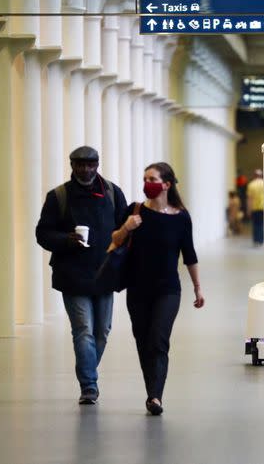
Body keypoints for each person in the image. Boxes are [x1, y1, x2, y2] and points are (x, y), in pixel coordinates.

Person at [35, 146, 128, 405]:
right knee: (84, 330)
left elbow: (125, 229)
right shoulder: (59, 196)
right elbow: (42, 233)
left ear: (98, 164)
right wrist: (66, 239)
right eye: (80, 165)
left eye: (90, 164)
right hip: (73, 275)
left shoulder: (112, 192)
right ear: (71, 165)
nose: (85, 169)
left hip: (105, 273)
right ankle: (89, 385)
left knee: (102, 331)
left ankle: (89, 371)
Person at [114, 162, 203, 416]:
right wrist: (127, 227)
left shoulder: (181, 217)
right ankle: (151, 391)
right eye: (144, 178)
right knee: (143, 342)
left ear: (166, 184)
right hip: (137, 288)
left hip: (168, 290)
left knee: (158, 340)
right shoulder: (135, 211)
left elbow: (189, 255)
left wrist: (198, 288)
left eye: (152, 178)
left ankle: (155, 397)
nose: (147, 183)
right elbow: (115, 240)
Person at [246, 169, 264, 245]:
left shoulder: (251, 185)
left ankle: (256, 240)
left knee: (255, 224)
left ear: (254, 175)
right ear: (261, 175)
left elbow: (249, 199)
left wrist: (248, 210)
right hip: (263, 207)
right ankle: (261, 239)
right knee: (262, 224)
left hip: (255, 208)